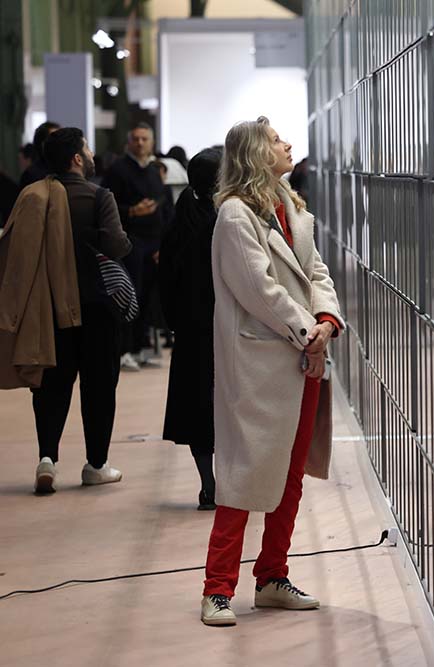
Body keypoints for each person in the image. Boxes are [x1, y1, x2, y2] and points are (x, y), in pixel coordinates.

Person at [199, 116, 344, 626]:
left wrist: (326, 320)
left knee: (290, 475)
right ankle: (216, 589)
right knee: (242, 474)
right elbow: (259, 291)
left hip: (302, 356)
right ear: (255, 154)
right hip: (263, 362)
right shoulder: (235, 216)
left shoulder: (292, 208)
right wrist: (309, 330)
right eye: (277, 141)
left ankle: (272, 577)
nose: (286, 145)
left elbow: (317, 272)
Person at [27, 128, 132, 492]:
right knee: (99, 384)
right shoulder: (98, 196)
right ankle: (96, 464)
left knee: (52, 385)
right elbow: (118, 245)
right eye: (86, 149)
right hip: (96, 305)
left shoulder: (33, 196)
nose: (90, 154)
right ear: (76, 158)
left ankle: (47, 457)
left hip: (50, 305)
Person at [159, 148, 223, 511]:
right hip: (222, 328)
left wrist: (176, 324)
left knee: (199, 412)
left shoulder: (179, 222)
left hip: (190, 332)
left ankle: (208, 486)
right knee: (226, 408)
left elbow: (165, 283)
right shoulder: (224, 222)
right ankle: (227, 484)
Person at [103, 122, 173, 372]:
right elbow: (107, 207)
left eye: (145, 139)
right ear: (129, 142)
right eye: (136, 139)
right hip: (130, 243)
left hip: (153, 244)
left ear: (151, 142)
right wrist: (132, 211)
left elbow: (164, 209)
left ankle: (141, 347)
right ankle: (124, 349)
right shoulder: (118, 170)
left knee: (148, 298)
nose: (140, 143)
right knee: (130, 296)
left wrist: (163, 244)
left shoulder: (154, 172)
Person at [19, 121, 61, 191]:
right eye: (56, 139)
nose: (61, 142)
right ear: (43, 144)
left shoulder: (66, 168)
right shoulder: (31, 175)